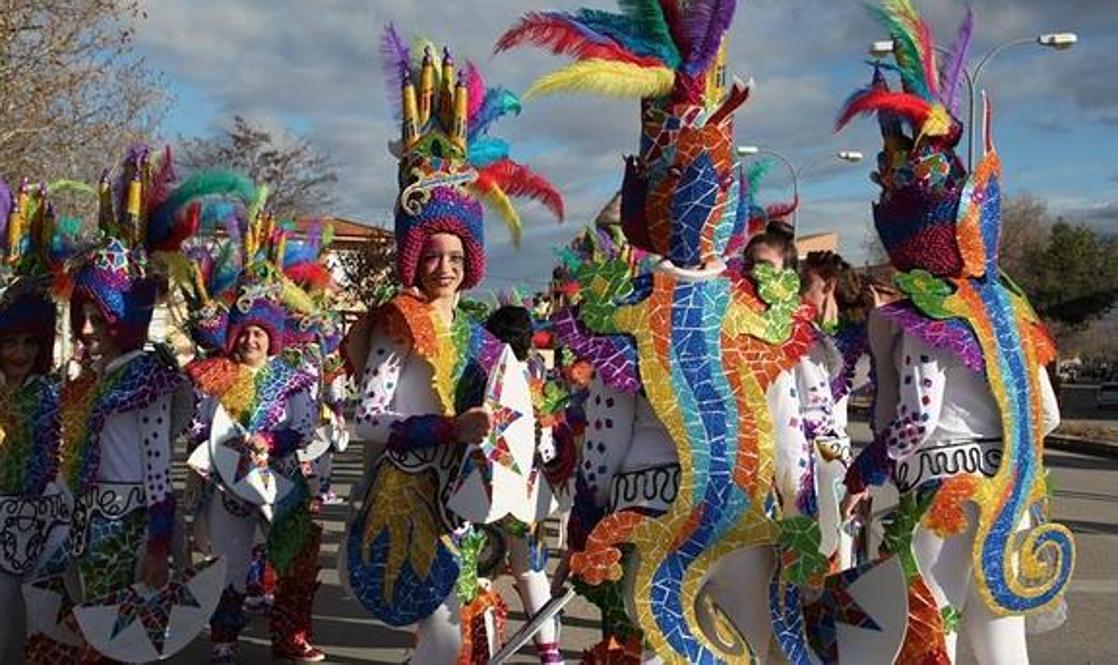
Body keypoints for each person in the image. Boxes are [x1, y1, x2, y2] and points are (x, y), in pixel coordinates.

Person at [502, 4, 817, 660]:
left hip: (721, 512)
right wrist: (590, 519)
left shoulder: (750, 309)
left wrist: (804, 506)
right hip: (672, 515)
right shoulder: (638, 310)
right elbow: (608, 432)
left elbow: (783, 421)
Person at [836, 3, 1074, 661]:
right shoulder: (1010, 308)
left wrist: (868, 465)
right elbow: (1047, 412)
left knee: (926, 635)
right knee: (1001, 645)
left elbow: (917, 414)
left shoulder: (921, 312)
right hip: (1008, 496)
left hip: (940, 489)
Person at [344, 28, 563, 664]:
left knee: (465, 626)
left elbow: (507, 413)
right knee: (441, 631)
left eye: (457, 254)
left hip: (467, 499)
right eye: (433, 253)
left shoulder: (479, 335)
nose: (444, 266)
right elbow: (367, 420)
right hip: (411, 497)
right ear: (416, 257)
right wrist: (448, 429)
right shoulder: (396, 322)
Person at [60, 148, 196, 662]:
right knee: (91, 633)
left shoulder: (148, 378)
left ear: (125, 318)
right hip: (90, 526)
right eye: (84, 317)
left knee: (121, 641)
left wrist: (159, 544)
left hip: (127, 529)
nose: (89, 330)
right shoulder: (92, 381)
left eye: (101, 318)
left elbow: (159, 469)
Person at [182, 199, 324, 663]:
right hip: (227, 484)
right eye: (243, 333)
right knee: (230, 567)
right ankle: (224, 638)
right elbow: (199, 423)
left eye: (259, 333)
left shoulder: (291, 376)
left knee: (294, 562)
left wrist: (270, 442)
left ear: (273, 336)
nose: (250, 340)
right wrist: (204, 448)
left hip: (280, 479)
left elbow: (302, 426)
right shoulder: (216, 374)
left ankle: (290, 637)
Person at [0, 180, 75, 663]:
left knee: (31, 625)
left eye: (30, 343)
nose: (20, 353)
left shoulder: (50, 394)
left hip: (38, 525)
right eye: (10, 342)